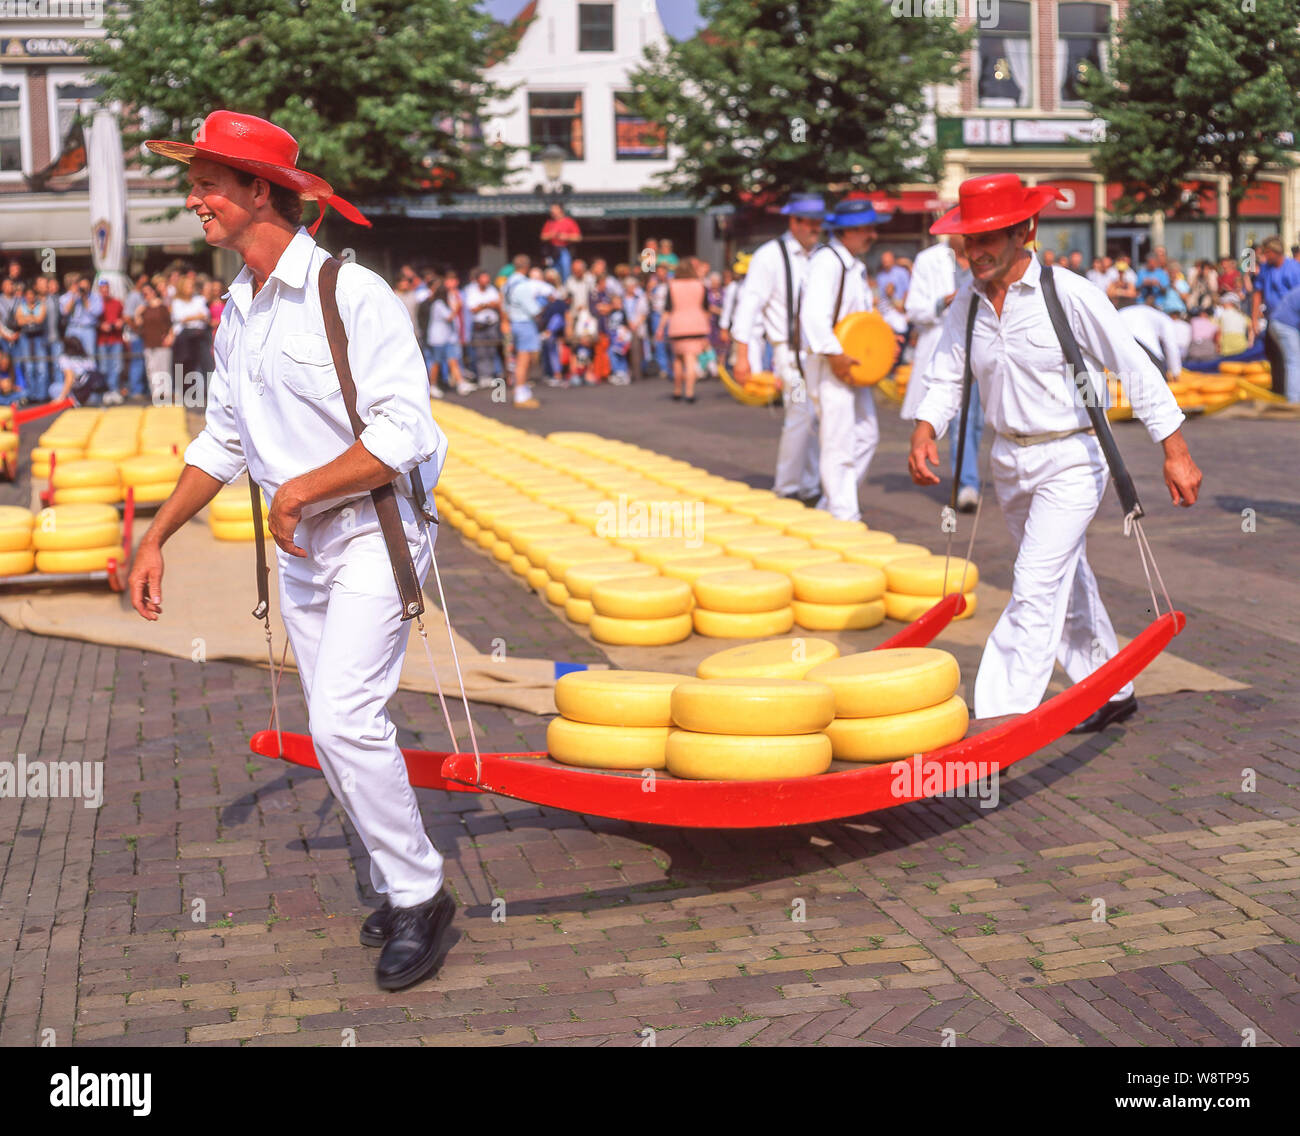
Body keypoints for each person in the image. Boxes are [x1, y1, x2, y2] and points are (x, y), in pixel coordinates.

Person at [129, 109, 455, 991]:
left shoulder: (352, 294)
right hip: (303, 553)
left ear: (257, 191)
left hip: (372, 535)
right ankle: (399, 878)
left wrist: (307, 488)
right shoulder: (236, 309)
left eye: (206, 183)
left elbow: (406, 431)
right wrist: (154, 535)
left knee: (344, 721)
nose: (193, 199)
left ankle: (421, 895)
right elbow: (223, 442)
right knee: (334, 727)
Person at [909, 173, 1201, 731]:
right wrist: (926, 430)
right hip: (1009, 461)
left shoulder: (1066, 293)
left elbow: (1134, 369)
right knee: (1066, 574)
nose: (976, 250)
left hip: (1071, 460)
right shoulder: (965, 305)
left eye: (989, 236)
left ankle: (999, 720)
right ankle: (1111, 687)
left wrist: (1175, 450)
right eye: (969, 239)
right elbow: (945, 375)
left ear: (1026, 230)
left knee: (1034, 585)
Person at [731, 193, 826, 503]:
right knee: (800, 415)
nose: (816, 228)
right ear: (793, 222)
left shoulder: (824, 255)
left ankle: (811, 485)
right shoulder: (770, 256)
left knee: (818, 419)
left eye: (818, 222)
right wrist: (742, 356)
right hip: (789, 354)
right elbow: (748, 306)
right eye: (810, 222)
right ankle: (786, 488)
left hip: (821, 354)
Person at [800, 195, 889, 521]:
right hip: (830, 362)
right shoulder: (828, 262)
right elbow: (812, 316)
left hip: (852, 362)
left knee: (866, 435)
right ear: (847, 231)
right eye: (866, 229)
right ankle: (844, 514)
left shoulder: (854, 265)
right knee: (838, 439)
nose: (872, 235)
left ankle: (832, 504)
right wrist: (835, 355)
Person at [903, 233, 980, 511]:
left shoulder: (982, 257)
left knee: (977, 420)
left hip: (982, 350)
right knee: (961, 418)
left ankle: (969, 478)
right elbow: (912, 309)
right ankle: (967, 483)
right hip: (947, 349)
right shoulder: (929, 260)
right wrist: (943, 302)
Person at [659, 257, 711, 402]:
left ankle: (677, 390)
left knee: (677, 360)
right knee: (690, 359)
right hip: (696, 325)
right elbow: (706, 309)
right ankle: (689, 392)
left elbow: (667, 310)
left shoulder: (673, 285)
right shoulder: (700, 285)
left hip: (678, 325)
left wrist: (660, 328)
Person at [502, 253, 549, 408]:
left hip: (514, 321)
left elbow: (504, 305)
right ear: (526, 267)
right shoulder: (522, 285)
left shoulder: (508, 283)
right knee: (524, 359)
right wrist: (544, 305)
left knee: (521, 358)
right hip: (524, 323)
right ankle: (520, 394)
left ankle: (523, 390)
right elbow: (533, 309)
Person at [169, 273, 212, 403]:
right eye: (188, 285)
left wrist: (190, 317)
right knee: (184, 363)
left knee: (206, 363)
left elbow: (205, 315)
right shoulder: (177, 302)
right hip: (185, 336)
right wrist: (195, 316)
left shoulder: (199, 299)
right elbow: (180, 317)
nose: (190, 288)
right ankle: (182, 391)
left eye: (192, 285)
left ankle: (210, 392)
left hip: (199, 334)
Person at [1118, 298, 1183, 379]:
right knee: (1158, 380)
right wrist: (1175, 372)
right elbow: (1171, 346)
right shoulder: (1164, 318)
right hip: (1144, 347)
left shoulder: (1125, 311)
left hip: (1121, 344)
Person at [462, 267, 503, 390]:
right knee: (480, 352)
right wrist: (487, 305)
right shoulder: (471, 291)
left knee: (491, 351)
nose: (486, 280)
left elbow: (498, 303)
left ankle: (491, 375)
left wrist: (484, 305)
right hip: (479, 326)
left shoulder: (492, 290)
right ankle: (483, 377)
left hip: (492, 324)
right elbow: (473, 308)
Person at [135, 280, 174, 404]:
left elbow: (170, 324)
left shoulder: (162, 307)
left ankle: (166, 394)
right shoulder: (144, 309)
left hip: (161, 342)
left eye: (148, 293)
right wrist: (137, 313)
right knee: (152, 370)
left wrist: (170, 336)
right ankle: (156, 394)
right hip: (149, 342)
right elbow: (138, 325)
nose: (146, 296)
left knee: (164, 369)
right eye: (144, 294)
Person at [1265, 282, 1300, 402]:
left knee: (1293, 360)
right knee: (1294, 361)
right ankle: (1294, 400)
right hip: (1285, 325)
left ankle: (1294, 396)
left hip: (1277, 324)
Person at [15, 282, 49, 402]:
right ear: (25, 296)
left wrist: (27, 318)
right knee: (29, 367)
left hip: (39, 337)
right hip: (25, 338)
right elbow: (19, 321)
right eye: (27, 294)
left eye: (32, 294)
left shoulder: (41, 305)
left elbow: (40, 320)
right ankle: (31, 395)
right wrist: (32, 317)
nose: (30, 296)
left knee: (41, 367)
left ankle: (42, 395)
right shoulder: (21, 306)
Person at [96, 280, 128, 401]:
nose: (105, 292)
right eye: (102, 290)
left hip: (116, 338)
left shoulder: (117, 302)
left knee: (116, 365)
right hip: (102, 339)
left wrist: (120, 322)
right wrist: (101, 325)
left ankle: (113, 390)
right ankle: (107, 391)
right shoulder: (97, 303)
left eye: (106, 289)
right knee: (104, 367)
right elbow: (93, 319)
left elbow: (124, 317)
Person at [60, 274, 103, 356]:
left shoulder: (95, 297)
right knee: (70, 354)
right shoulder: (68, 296)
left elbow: (97, 312)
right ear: (77, 285)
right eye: (82, 286)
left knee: (89, 354)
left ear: (90, 286)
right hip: (72, 328)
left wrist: (85, 299)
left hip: (88, 329)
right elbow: (64, 312)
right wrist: (74, 297)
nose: (84, 289)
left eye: (86, 287)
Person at [540, 202, 581, 280]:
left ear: (560, 210)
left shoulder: (569, 222)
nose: (552, 212)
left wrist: (566, 237)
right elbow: (543, 237)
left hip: (564, 250)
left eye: (554, 209)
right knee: (552, 271)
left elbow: (578, 237)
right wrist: (551, 235)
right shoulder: (549, 223)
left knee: (565, 270)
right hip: (552, 251)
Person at [1217, 292, 1252, 356]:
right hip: (1242, 347)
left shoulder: (1222, 315)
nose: (1222, 304)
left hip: (1226, 348)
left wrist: (1218, 346)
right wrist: (1250, 342)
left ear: (1230, 303)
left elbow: (1219, 332)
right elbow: (1251, 328)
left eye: (1224, 302)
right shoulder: (1242, 316)